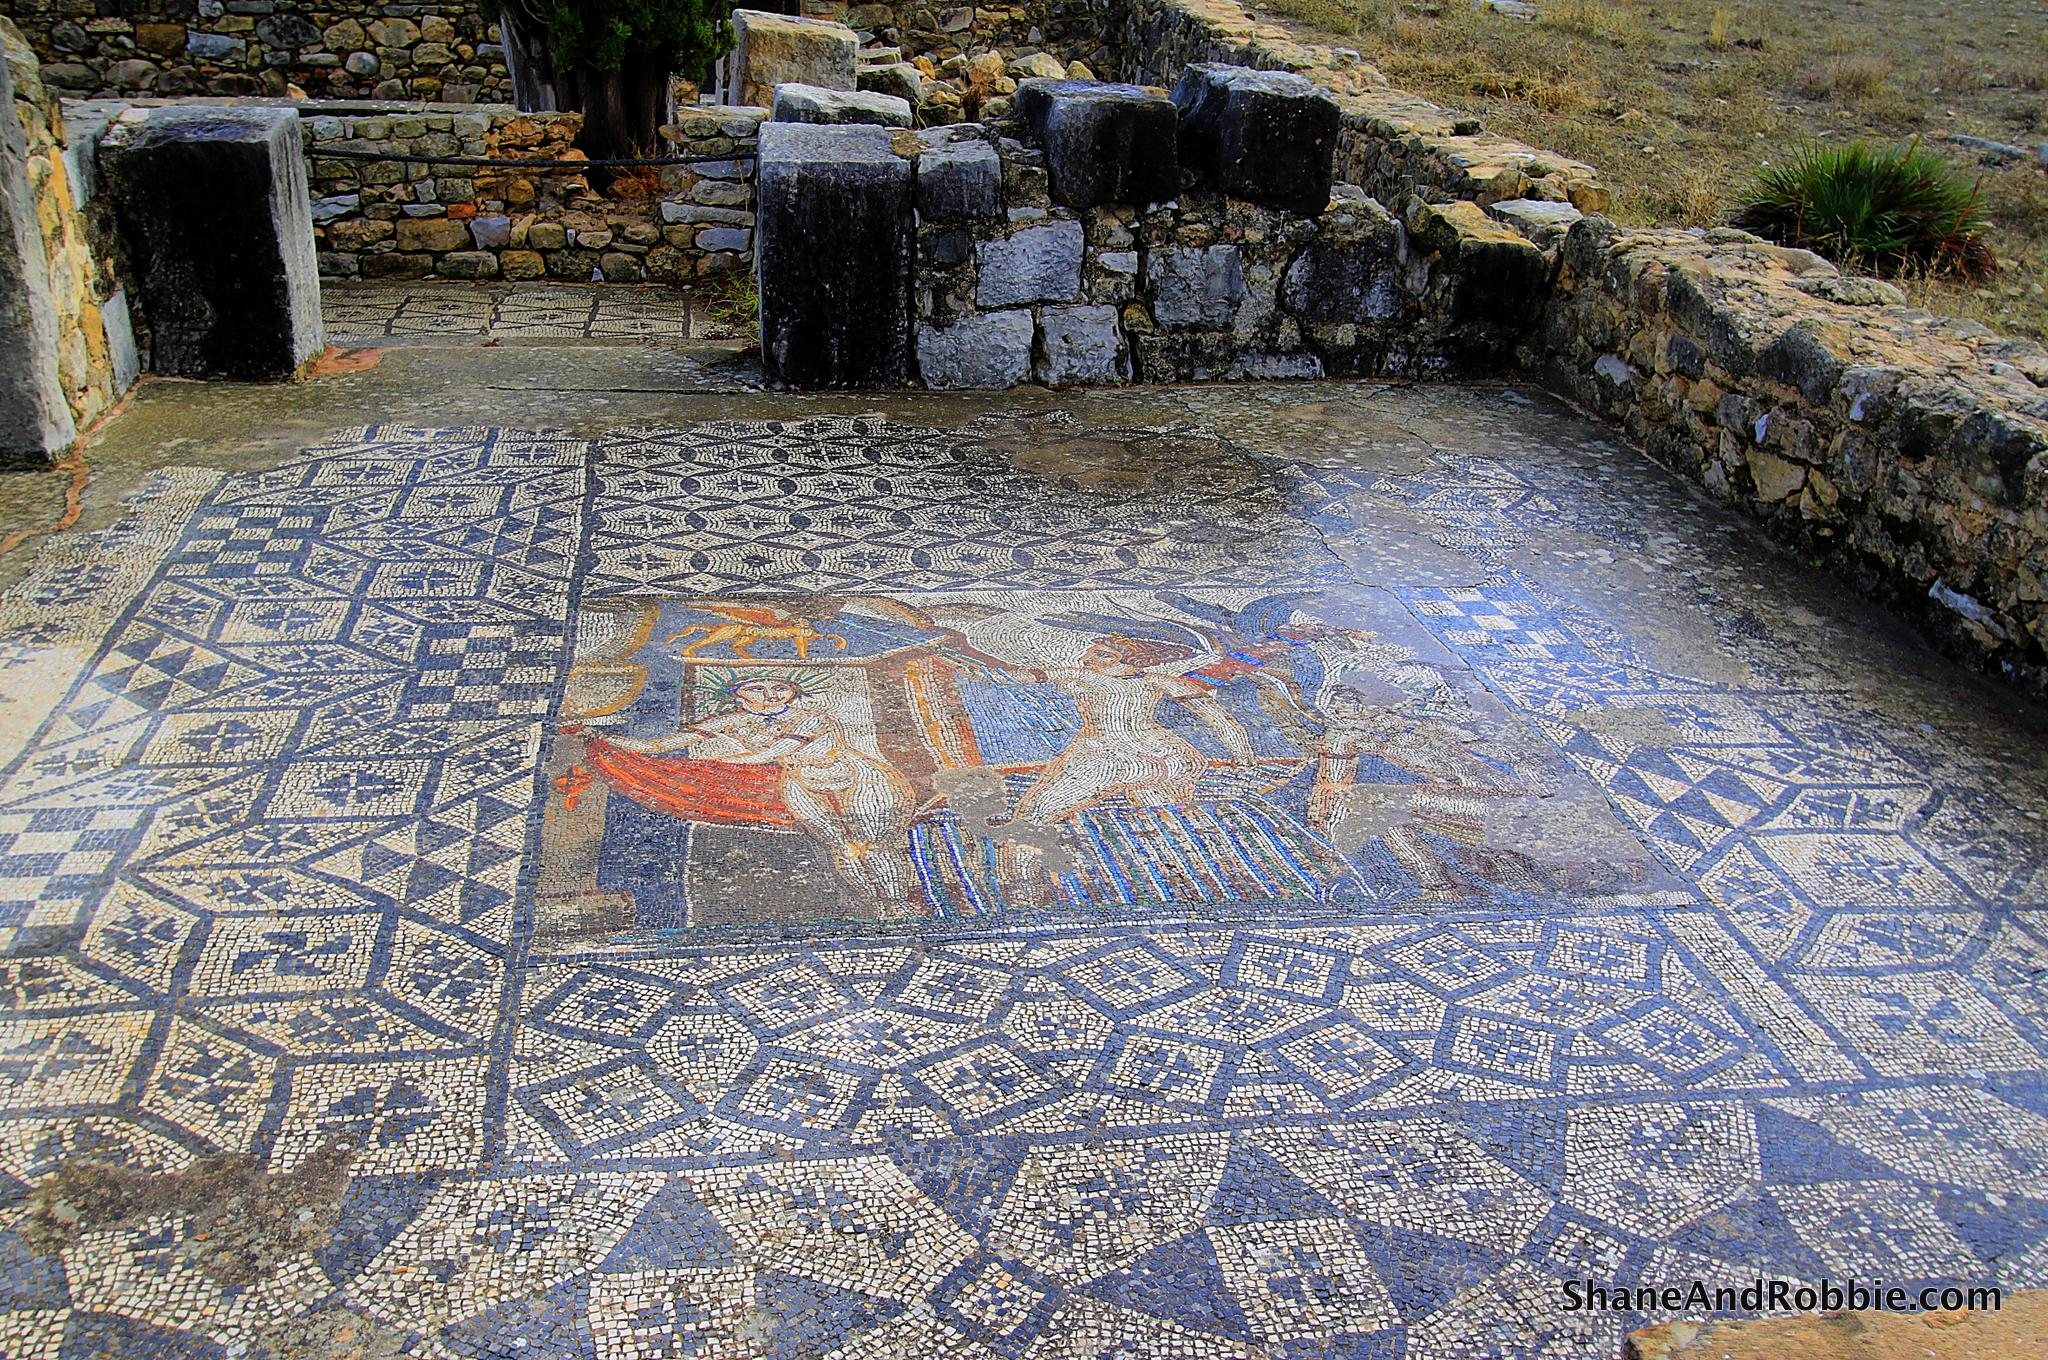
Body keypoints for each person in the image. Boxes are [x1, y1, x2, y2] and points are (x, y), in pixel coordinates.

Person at [602, 676, 924, 919]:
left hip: (857, 777)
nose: (770, 695)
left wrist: (720, 761)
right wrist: (603, 739)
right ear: (737, 693)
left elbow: (770, 753)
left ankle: (900, 903)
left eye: (780, 688)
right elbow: (657, 746)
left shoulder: (814, 717)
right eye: (757, 688)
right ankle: (879, 907)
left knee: (874, 845)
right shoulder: (731, 722)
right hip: (801, 781)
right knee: (843, 849)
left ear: (792, 693)